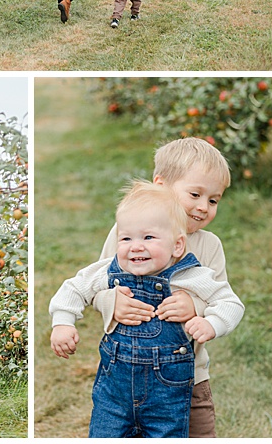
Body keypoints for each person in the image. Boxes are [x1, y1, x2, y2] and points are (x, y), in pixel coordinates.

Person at [49, 181, 244, 438]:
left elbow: (231, 303)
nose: (136, 246)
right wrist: (63, 322)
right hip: (114, 394)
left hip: (167, 395)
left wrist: (211, 323)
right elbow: (74, 288)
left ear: (177, 246)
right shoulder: (110, 269)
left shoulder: (190, 276)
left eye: (148, 237)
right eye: (126, 238)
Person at [92, 137, 235, 437]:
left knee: (197, 433)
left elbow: (222, 298)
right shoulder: (128, 234)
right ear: (160, 186)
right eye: (195, 194)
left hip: (188, 379)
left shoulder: (209, 246)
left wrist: (195, 307)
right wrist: (111, 303)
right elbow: (95, 284)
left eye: (213, 200)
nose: (202, 207)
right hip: (126, 375)